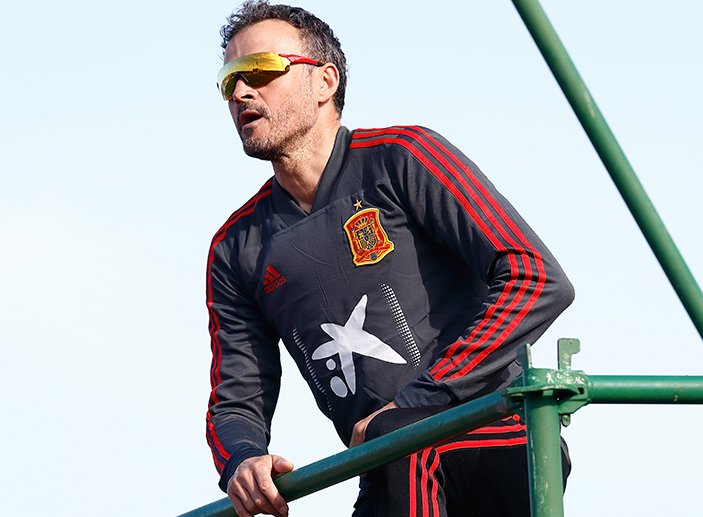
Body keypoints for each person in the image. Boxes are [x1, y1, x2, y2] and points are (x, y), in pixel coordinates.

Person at [205, 2, 574, 516]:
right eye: (229, 80)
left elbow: (537, 278)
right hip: (388, 469)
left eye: (261, 71)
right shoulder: (234, 246)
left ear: (324, 82)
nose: (242, 92)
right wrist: (242, 460)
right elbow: (237, 396)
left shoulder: (403, 156)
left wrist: (420, 400)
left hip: (496, 434)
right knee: (392, 446)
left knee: (398, 435)